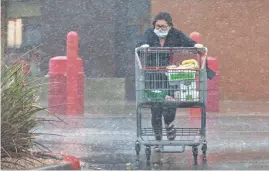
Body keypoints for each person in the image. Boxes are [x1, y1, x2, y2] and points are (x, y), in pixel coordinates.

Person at [136, 12, 206, 146]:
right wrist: (143, 46)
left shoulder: (175, 34)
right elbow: (140, 43)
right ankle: (157, 140)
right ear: (154, 26)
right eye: (158, 26)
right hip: (153, 75)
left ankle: (168, 123)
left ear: (169, 26)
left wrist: (195, 46)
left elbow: (188, 42)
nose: (160, 29)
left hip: (169, 75)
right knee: (156, 108)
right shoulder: (149, 34)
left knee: (170, 104)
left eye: (163, 26)